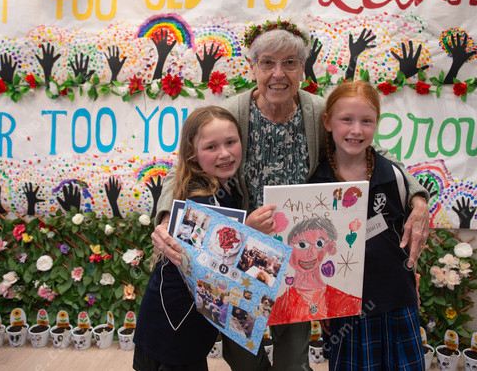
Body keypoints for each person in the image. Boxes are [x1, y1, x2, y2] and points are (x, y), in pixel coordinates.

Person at [151, 19, 430, 371]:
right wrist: (166, 217)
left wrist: (417, 197)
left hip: (297, 257)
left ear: (302, 67)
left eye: (289, 63)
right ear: (252, 67)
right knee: (243, 358)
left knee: (293, 358)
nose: (278, 74)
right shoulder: (234, 112)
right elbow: (184, 164)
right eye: (267, 63)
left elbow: (372, 153)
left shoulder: (317, 112)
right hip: (242, 253)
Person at [133, 105, 274, 371]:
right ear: (192, 153)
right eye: (211, 147)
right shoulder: (199, 196)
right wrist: (248, 229)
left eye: (231, 142)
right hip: (172, 325)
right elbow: (208, 259)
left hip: (189, 320)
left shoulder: (225, 186)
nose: (225, 153)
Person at [311, 80, 425, 370]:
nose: (357, 130)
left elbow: (406, 238)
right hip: (346, 307)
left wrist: (412, 278)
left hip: (396, 298)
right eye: (346, 119)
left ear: (377, 124)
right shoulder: (315, 183)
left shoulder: (394, 177)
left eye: (366, 121)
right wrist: (320, 302)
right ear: (328, 122)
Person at [267, 217, 362, 325]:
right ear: (288, 247)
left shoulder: (347, 302)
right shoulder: (278, 306)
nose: (311, 253)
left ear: (329, 247)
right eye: (302, 245)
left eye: (319, 244)